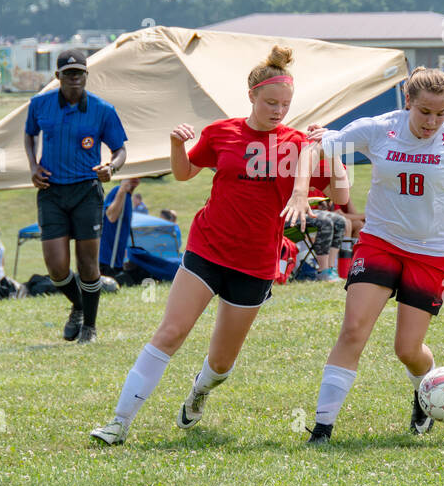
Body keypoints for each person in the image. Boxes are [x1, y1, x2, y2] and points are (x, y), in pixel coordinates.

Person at [89, 45, 342, 446]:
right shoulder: (222, 132)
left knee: (222, 364)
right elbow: (185, 171)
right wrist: (176, 143)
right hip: (207, 249)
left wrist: (330, 148)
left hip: (256, 264)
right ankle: (118, 423)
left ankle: (199, 391)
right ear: (252, 97)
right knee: (170, 332)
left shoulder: (298, 145)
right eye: (271, 102)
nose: (278, 110)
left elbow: (338, 193)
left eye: (285, 104)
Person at [286, 67, 444, 444]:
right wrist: (299, 193)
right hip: (380, 241)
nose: (431, 122)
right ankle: (322, 430)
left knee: (407, 349)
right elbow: (314, 146)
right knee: (353, 330)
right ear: (408, 102)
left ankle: (423, 393)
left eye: (440, 114)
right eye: (424, 111)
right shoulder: (380, 128)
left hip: (431, 253)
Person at [25, 48, 129, 343]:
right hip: (51, 191)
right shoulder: (39, 105)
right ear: (57, 76)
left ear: (86, 75)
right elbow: (29, 134)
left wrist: (112, 166)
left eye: (79, 73)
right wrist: (33, 166)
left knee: (87, 265)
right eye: (68, 74)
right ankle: (79, 305)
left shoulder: (102, 109)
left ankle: (89, 327)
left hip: (86, 191)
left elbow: (120, 149)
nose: (74, 79)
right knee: (56, 268)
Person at [99, 178, 140, 277]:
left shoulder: (128, 196)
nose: (136, 178)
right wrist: (122, 189)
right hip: (107, 258)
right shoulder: (117, 191)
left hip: (117, 258)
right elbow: (111, 216)